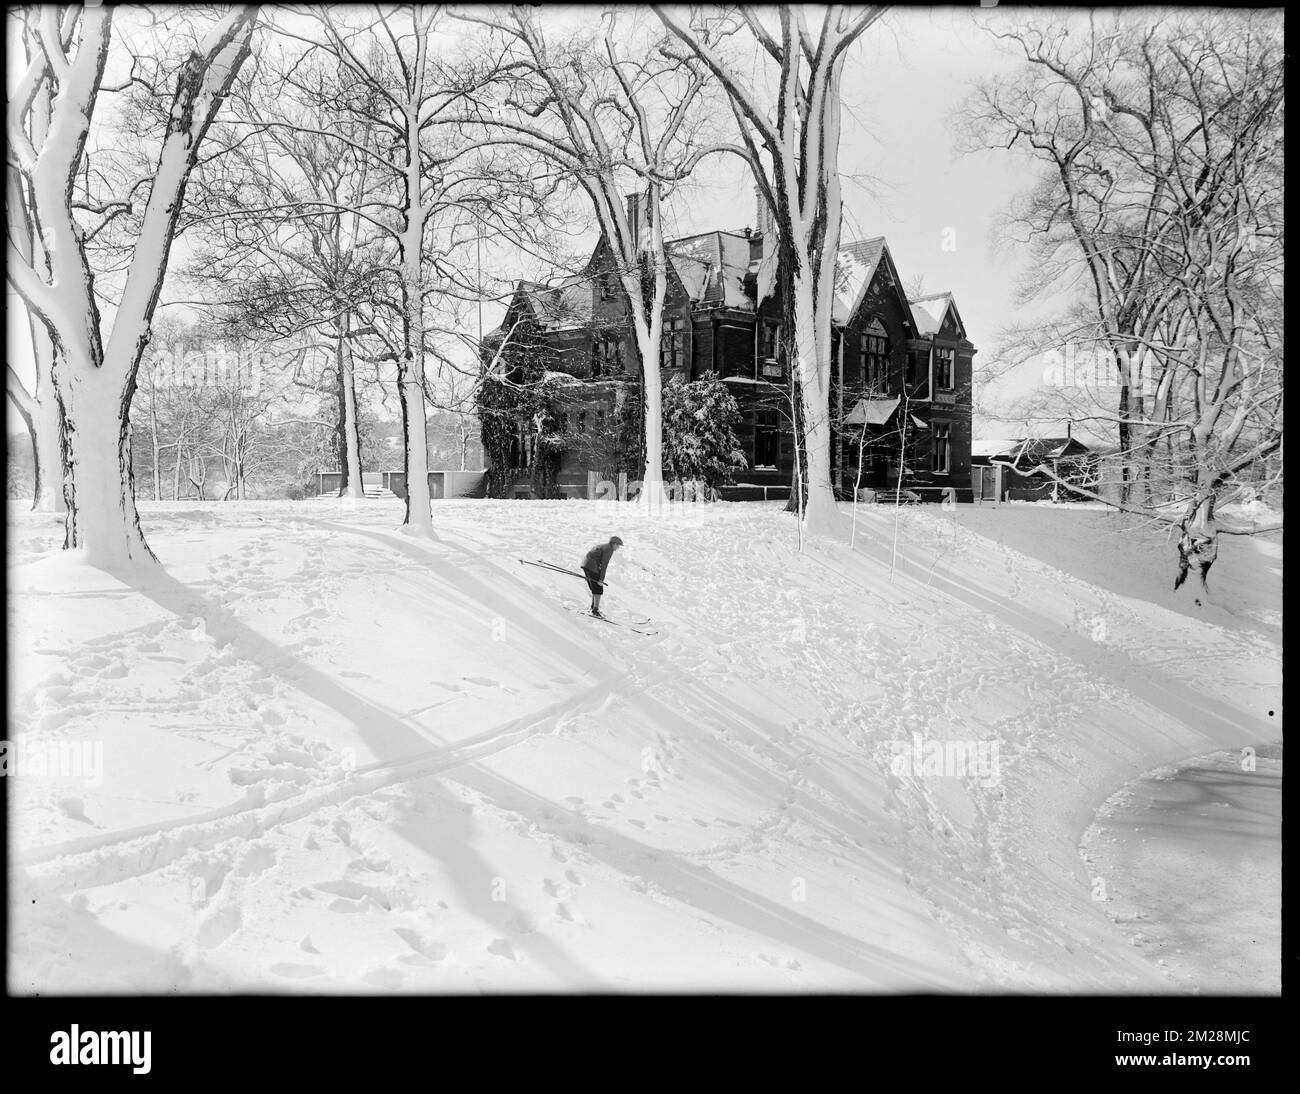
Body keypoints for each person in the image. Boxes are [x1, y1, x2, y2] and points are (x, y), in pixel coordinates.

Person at [581, 535, 623, 617]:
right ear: (614, 544)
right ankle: (595, 610)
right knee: (598, 589)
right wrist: (601, 579)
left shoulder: (604, 546)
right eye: (618, 545)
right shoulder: (609, 549)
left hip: (586, 564)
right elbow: (604, 565)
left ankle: (593, 608)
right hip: (591, 566)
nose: (618, 548)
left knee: (595, 588)